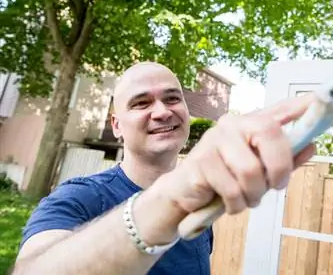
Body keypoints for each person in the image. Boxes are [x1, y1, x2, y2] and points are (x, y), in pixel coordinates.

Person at [12, 61, 316, 275]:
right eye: (141, 103)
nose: (162, 111)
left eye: (172, 99)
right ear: (116, 126)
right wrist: (171, 197)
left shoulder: (201, 205)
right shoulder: (79, 197)